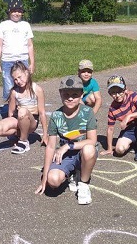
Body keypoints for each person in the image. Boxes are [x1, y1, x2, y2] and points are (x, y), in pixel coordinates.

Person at [35, 75, 98, 205]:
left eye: (75, 94)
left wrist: (68, 146)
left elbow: (92, 140)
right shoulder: (56, 116)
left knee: (89, 149)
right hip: (66, 156)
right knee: (53, 181)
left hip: (81, 152)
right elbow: (51, 147)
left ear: (81, 94)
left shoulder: (87, 112)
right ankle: (71, 173)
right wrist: (44, 177)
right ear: (60, 94)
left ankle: (83, 183)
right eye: (66, 94)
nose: (70, 98)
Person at [0, 61, 49, 154]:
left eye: (19, 77)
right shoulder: (14, 92)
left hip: (32, 121)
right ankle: (20, 134)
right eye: (15, 79)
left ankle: (23, 142)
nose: (18, 81)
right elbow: (11, 113)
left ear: (26, 73)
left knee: (22, 111)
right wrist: (13, 130)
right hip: (18, 118)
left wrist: (45, 134)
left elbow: (42, 113)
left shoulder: (37, 89)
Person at [0, 0, 35, 106]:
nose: (17, 13)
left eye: (19, 11)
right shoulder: (4, 25)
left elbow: (30, 45)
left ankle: (24, 108)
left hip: (22, 60)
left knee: (23, 85)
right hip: (7, 60)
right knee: (9, 86)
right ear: (9, 12)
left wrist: (32, 63)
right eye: (14, 11)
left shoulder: (26, 25)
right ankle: (11, 110)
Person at [104, 74, 137, 162]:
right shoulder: (112, 108)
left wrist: (129, 116)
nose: (117, 95)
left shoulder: (132, 95)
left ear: (125, 89)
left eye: (120, 91)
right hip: (130, 128)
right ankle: (134, 143)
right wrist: (109, 148)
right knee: (119, 150)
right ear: (109, 93)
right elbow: (110, 129)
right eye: (113, 92)